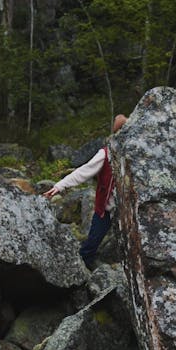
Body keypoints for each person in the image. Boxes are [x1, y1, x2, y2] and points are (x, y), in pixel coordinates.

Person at [43, 114, 128, 269]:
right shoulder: (106, 153)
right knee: (92, 243)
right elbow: (83, 171)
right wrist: (60, 186)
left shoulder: (136, 151)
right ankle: (81, 270)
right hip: (106, 209)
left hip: (126, 211)